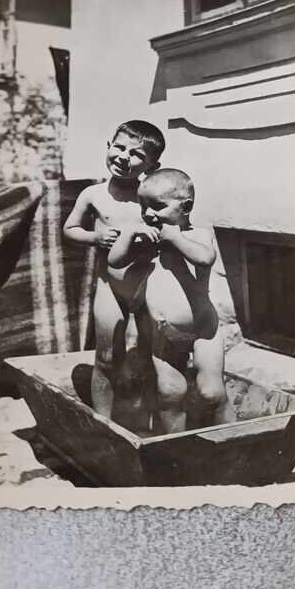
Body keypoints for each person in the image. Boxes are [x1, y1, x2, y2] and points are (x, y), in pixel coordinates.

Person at [107, 167, 234, 434]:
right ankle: (179, 448)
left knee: (211, 392)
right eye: (144, 207)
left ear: (185, 206)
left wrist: (175, 237)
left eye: (157, 206)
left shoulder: (198, 235)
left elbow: (205, 258)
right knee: (169, 394)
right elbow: (114, 261)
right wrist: (129, 235)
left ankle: (233, 440)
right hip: (164, 335)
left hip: (203, 330)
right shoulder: (149, 241)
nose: (149, 214)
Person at [63, 120, 165, 421]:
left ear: (151, 165)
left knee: (152, 357)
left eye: (136, 154)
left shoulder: (152, 195)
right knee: (107, 358)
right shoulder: (93, 194)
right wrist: (94, 237)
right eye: (119, 147)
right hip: (110, 289)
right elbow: (69, 229)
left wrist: (156, 233)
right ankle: (103, 424)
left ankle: (151, 421)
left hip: (149, 290)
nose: (123, 157)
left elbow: (173, 226)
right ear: (109, 146)